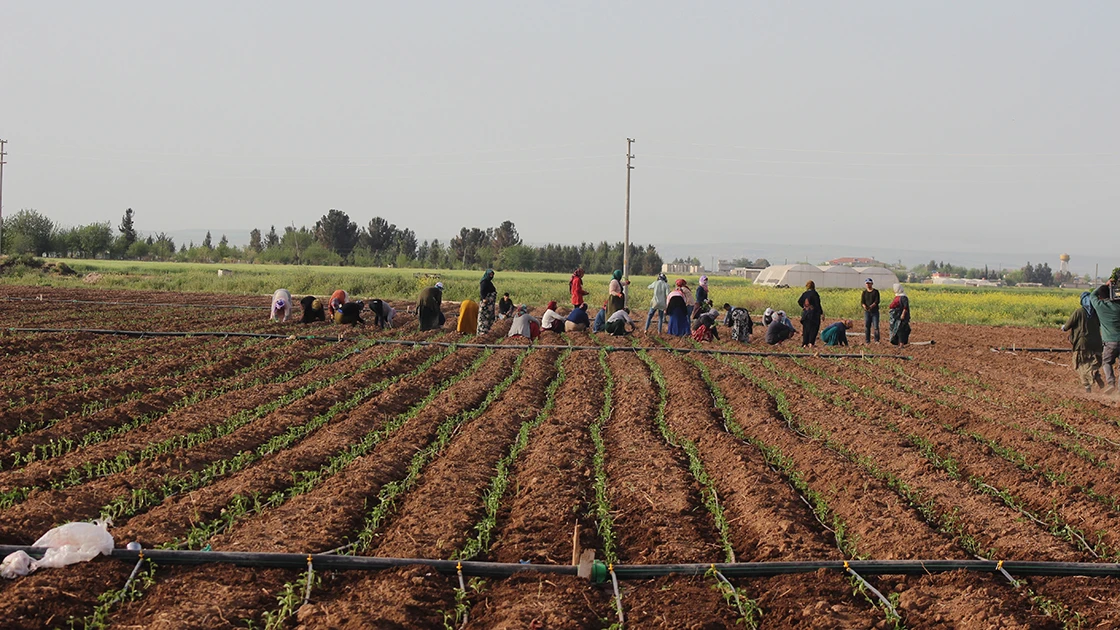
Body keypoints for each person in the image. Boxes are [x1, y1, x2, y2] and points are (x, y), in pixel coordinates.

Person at [1062, 291, 1104, 393]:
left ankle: (1089, 381)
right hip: (1097, 343)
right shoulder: (1096, 312)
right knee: (1093, 362)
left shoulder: (1079, 311)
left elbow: (1067, 326)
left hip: (1082, 343)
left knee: (1080, 364)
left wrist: (1063, 327)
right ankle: (1095, 376)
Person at [1088, 283, 1120, 394]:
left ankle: (1111, 383)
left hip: (1110, 341)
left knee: (1107, 362)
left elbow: (1092, 295)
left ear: (1101, 297)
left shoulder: (1100, 306)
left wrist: (1106, 283)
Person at [798, 280, 823, 347]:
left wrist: (804, 307)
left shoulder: (805, 294)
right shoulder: (815, 294)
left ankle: (805, 343)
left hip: (806, 314)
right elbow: (817, 304)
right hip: (813, 314)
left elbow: (799, 301)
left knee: (806, 329)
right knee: (814, 328)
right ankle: (811, 343)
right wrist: (821, 313)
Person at [477, 269, 497, 334]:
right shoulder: (484, 282)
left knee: (489, 318)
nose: (491, 276)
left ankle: (487, 331)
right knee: (484, 318)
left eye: (492, 275)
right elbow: (482, 291)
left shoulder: (489, 282)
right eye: (490, 274)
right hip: (486, 304)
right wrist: (484, 299)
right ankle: (482, 332)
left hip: (490, 305)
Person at [861, 278, 881, 344]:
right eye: (867, 283)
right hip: (867, 312)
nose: (868, 285)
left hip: (875, 312)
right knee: (867, 326)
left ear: (872, 283)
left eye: (869, 283)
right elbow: (862, 302)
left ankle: (876, 340)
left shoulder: (875, 292)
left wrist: (871, 306)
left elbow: (877, 301)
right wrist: (865, 307)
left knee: (875, 326)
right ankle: (867, 341)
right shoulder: (864, 292)